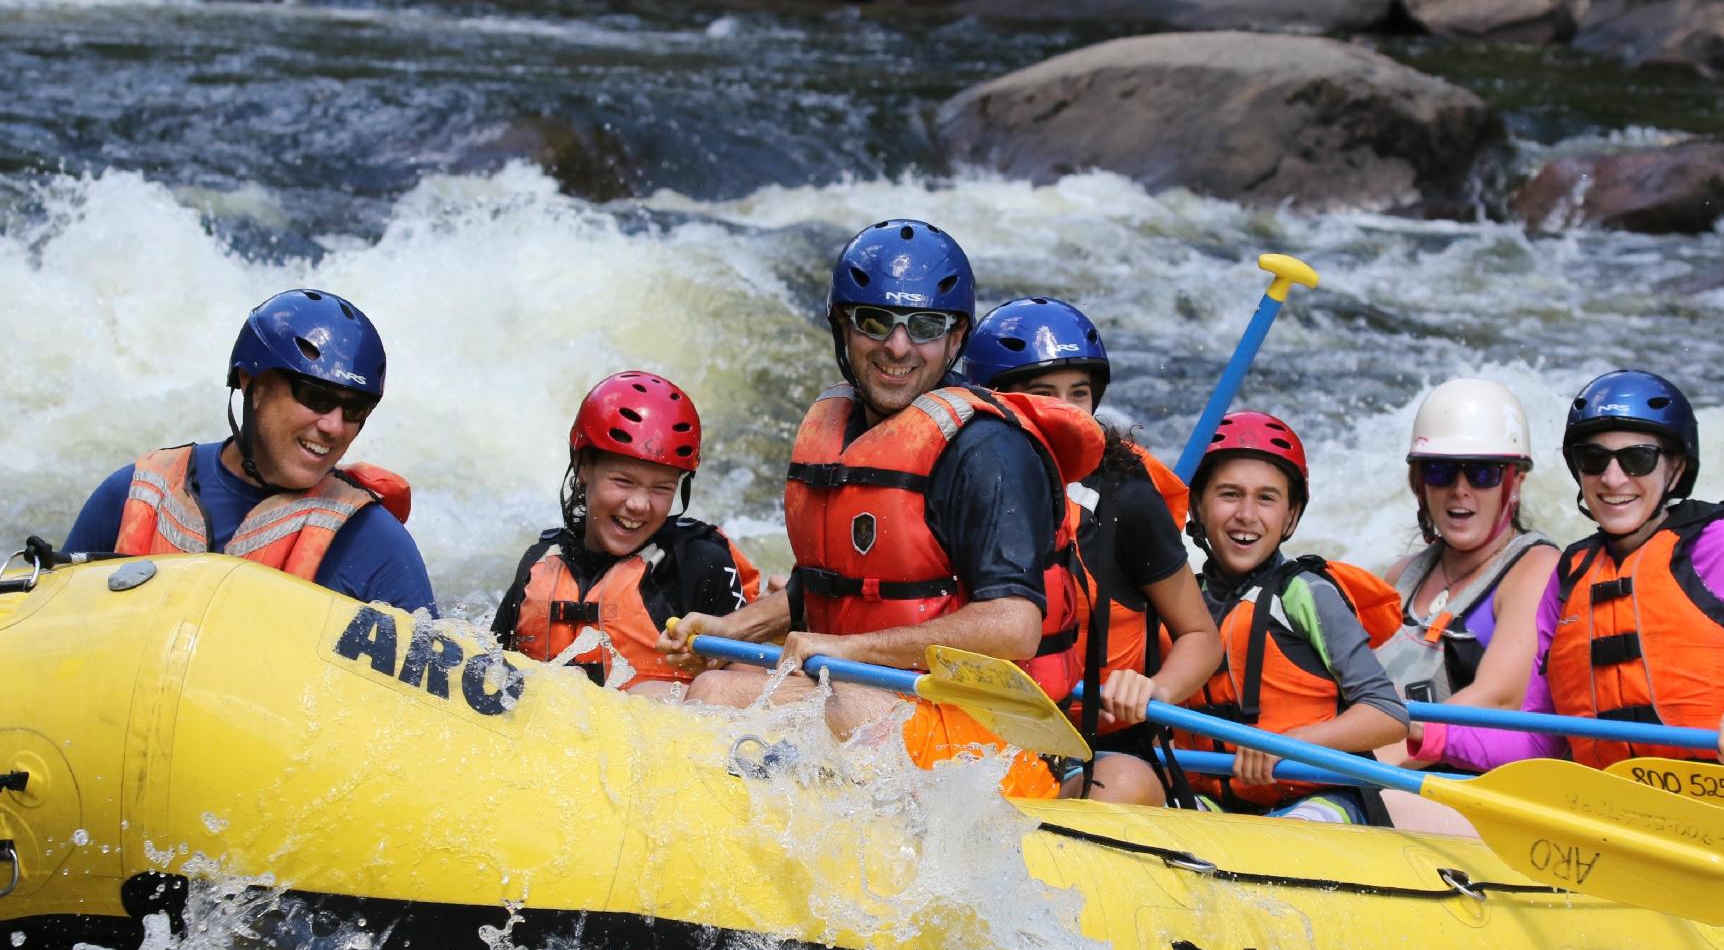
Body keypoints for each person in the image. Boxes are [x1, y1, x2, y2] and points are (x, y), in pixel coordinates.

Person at [661, 219, 1103, 798]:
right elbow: (840, 589)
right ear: (843, 327)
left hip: (1003, 739)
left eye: (924, 327)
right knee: (712, 692)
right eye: (876, 322)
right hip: (880, 694)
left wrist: (847, 652)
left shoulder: (988, 451)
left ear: (955, 339)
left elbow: (1015, 626)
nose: (898, 347)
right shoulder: (843, 433)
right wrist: (730, 627)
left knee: (844, 707)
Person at [1406, 371, 1724, 874]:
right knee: (1396, 806)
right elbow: (1540, 740)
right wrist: (1425, 733)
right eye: (1594, 459)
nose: (1613, 478)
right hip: (1610, 820)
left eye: (1637, 459)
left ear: (1675, 467)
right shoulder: (1571, 577)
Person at [961, 296, 1220, 806]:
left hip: (1104, 742)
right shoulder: (956, 482)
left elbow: (1201, 637)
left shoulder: (1126, 494)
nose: (1065, 411)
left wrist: (1157, 690)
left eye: (1078, 394)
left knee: (1116, 786)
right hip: (986, 730)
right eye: (1043, 394)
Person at [64, 288, 434, 613]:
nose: (334, 426)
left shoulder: (377, 547)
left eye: (354, 410)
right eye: (315, 397)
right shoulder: (132, 494)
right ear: (252, 384)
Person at [1180, 411, 1408, 823]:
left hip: (1322, 799)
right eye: (1229, 494)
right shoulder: (1180, 600)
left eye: (1266, 498)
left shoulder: (1306, 595)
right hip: (1218, 801)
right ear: (1197, 504)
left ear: (1290, 516)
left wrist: (1290, 743)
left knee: (1299, 825)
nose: (1247, 515)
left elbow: (1388, 714)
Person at [490, 372, 762, 696]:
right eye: (623, 481)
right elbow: (488, 674)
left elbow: (757, 695)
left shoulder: (699, 564)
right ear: (583, 466)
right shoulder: (540, 566)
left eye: (662, 488)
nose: (638, 505)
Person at [1376, 378, 1558, 713]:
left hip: (1450, 765)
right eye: (1440, 470)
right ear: (1419, 483)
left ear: (1516, 483)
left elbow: (1498, 697)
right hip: (1379, 759)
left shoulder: (1538, 569)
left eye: (1482, 473)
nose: (1460, 489)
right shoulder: (1400, 577)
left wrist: (1367, 760)